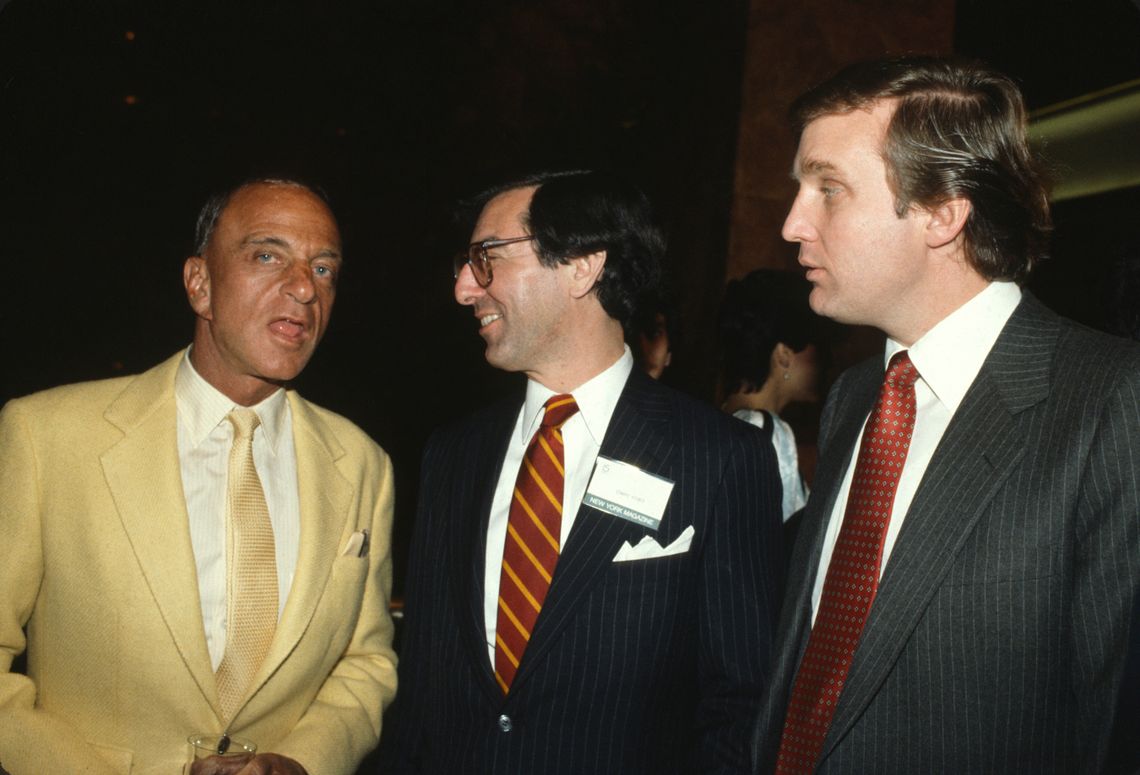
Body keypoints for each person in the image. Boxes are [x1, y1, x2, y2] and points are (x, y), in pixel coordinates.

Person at [753, 56, 1140, 774]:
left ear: (941, 212)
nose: (792, 223)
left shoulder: (1112, 401)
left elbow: (1109, 724)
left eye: (828, 189)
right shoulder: (855, 395)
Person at [379, 170, 783, 774]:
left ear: (582, 266)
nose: (465, 287)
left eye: (487, 258)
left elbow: (739, 704)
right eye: (465, 264)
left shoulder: (720, 459)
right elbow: (421, 692)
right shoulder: (453, 455)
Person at [0, 179, 398, 775]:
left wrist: (301, 762)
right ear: (201, 284)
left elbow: (364, 661)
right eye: (268, 255)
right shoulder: (46, 436)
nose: (303, 288)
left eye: (324, 269)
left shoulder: (362, 463)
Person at [718, 269, 827, 522]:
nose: (822, 362)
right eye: (815, 348)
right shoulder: (768, 433)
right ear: (784, 354)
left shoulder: (723, 416)